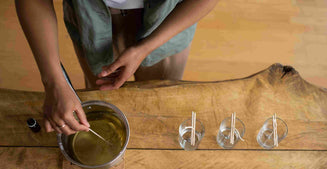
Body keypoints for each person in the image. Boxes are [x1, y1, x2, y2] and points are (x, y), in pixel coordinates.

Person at [15, 0, 218, 136]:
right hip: (90, 18)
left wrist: (145, 48)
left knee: (161, 104)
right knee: (101, 98)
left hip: (169, 17)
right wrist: (53, 80)